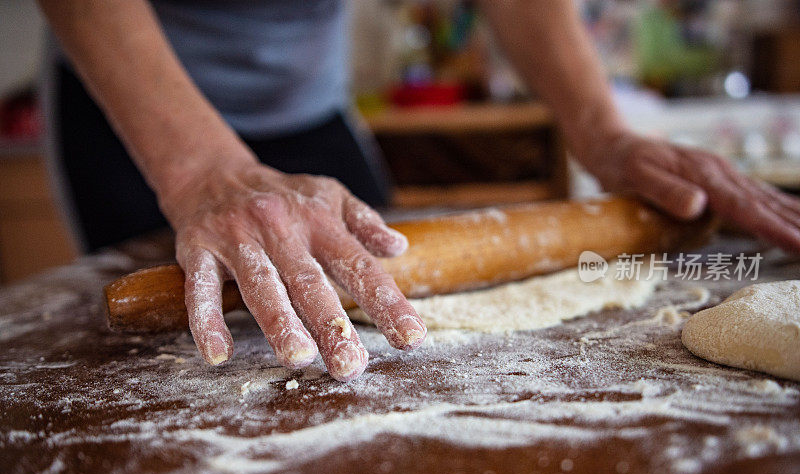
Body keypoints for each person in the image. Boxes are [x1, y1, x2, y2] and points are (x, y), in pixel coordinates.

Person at [38, 0, 800, 382]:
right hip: (139, 100)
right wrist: (202, 169)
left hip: (311, 104)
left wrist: (604, 133)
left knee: (368, 275)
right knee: (182, 344)